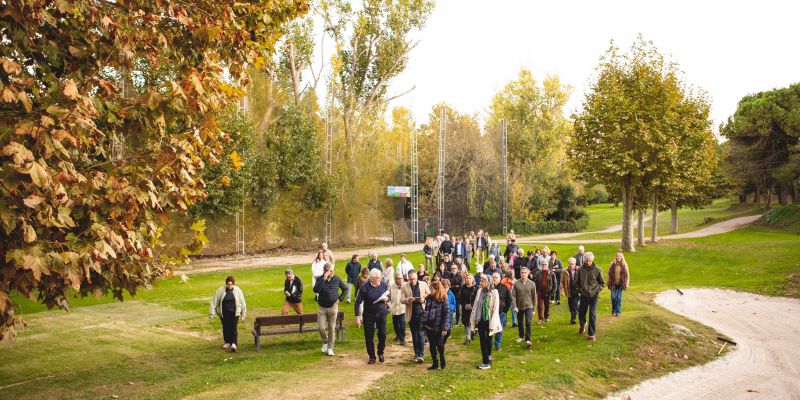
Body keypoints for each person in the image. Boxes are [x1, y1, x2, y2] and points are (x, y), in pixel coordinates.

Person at [355, 268, 390, 364]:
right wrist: (357, 316)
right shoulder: (364, 287)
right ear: (372, 278)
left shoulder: (383, 284)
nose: (379, 279)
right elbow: (357, 302)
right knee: (369, 335)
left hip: (381, 313)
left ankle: (380, 352)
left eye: (380, 277)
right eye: (377, 278)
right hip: (369, 314)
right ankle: (372, 356)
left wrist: (387, 298)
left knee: (382, 334)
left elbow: (389, 296)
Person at [314, 263, 349, 356]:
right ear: (325, 271)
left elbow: (345, 289)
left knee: (331, 328)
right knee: (321, 328)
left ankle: (330, 348)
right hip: (322, 308)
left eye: (333, 270)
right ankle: (325, 342)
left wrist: (340, 299)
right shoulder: (320, 279)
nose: (332, 272)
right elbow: (316, 290)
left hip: (333, 307)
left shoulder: (337, 279)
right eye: (330, 271)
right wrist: (324, 278)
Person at [470, 274, 501, 369]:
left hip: (490, 320)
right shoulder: (479, 291)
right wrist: (473, 320)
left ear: (488, 282)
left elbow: (495, 309)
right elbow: (475, 306)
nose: (480, 283)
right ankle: (485, 361)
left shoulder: (494, 292)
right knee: (482, 341)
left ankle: (488, 356)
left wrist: (492, 324)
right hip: (481, 319)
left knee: (489, 340)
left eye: (482, 281)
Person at [210, 276, 247, 352]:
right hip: (224, 313)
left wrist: (243, 312)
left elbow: (242, 301)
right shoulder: (220, 290)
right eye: (228, 284)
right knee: (226, 327)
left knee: (233, 327)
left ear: (233, 284)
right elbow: (214, 302)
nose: (230, 286)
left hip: (234, 313)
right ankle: (227, 342)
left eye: (231, 284)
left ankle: (234, 343)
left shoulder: (238, 290)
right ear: (226, 284)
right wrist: (211, 314)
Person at [421, 280, 452, 370]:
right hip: (429, 326)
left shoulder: (443, 300)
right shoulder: (429, 298)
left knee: (439, 345)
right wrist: (424, 323)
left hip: (439, 327)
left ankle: (442, 360)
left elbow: (446, 314)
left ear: (437, 289)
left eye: (432, 289)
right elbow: (425, 311)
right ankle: (435, 363)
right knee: (432, 345)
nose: (430, 291)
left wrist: (444, 328)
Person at [401, 270, 430, 363]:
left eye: (414, 279)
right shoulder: (404, 286)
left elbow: (429, 294)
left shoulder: (423, 284)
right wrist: (408, 300)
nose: (412, 281)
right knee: (414, 334)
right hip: (411, 313)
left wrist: (424, 300)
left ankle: (421, 355)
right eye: (410, 279)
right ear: (408, 278)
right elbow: (401, 300)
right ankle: (416, 354)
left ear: (417, 277)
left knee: (420, 333)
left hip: (421, 312)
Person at [577, 252, 604, 341]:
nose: (588, 262)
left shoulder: (597, 269)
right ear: (584, 260)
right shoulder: (580, 270)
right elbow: (577, 283)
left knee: (592, 314)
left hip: (594, 295)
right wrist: (580, 290)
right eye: (587, 261)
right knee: (581, 312)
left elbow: (602, 283)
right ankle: (582, 324)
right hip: (584, 295)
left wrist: (597, 290)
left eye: (590, 261)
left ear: (592, 260)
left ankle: (591, 334)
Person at [511, 267, 536, 348]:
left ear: (528, 273)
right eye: (522, 272)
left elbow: (534, 297)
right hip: (519, 306)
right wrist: (515, 306)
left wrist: (534, 309)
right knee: (520, 322)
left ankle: (528, 339)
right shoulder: (516, 283)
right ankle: (521, 336)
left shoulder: (532, 284)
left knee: (528, 322)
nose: (523, 274)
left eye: (525, 272)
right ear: (520, 273)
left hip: (529, 306)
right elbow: (513, 296)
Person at [492, 272, 512, 351]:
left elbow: (509, 299)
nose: (494, 279)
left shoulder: (504, 288)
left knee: (499, 329)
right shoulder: (489, 288)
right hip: (491, 312)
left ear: (500, 278)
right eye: (493, 277)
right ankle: (489, 344)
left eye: (496, 277)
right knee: (490, 329)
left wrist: (505, 310)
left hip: (501, 312)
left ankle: (497, 344)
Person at [533, 258, 556, 324]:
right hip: (539, 292)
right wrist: (536, 291)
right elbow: (535, 282)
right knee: (540, 306)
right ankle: (540, 318)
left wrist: (552, 292)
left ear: (548, 265)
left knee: (547, 306)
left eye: (545, 265)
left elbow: (555, 284)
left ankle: (547, 317)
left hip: (548, 292)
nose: (544, 266)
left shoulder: (552, 273)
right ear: (540, 265)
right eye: (542, 264)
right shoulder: (538, 273)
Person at [607, 251, 630, 316]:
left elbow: (627, 275)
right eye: (617, 256)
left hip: (621, 284)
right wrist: (608, 281)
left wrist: (627, 283)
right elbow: (608, 273)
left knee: (619, 298)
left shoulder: (624, 265)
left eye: (619, 256)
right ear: (615, 257)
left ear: (622, 257)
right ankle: (614, 310)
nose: (618, 257)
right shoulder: (612, 264)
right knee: (613, 297)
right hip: (613, 283)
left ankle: (618, 311)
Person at [459, 274, 478, 344]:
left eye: (470, 278)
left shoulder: (476, 288)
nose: (468, 279)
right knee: (466, 322)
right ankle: (468, 338)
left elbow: (477, 298)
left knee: (473, 321)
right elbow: (460, 297)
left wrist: (472, 305)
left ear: (473, 280)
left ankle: (473, 331)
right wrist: (464, 305)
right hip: (465, 307)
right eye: (467, 278)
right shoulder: (463, 288)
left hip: (473, 308)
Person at [389, 273, 407, 345]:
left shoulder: (405, 286)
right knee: (395, 324)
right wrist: (389, 304)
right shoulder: (391, 286)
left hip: (402, 308)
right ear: (395, 279)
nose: (400, 280)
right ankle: (398, 336)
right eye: (398, 278)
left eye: (401, 278)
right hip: (394, 308)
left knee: (402, 324)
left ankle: (402, 339)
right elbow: (389, 296)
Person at [561, 257, 580, 324]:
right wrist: (562, 291)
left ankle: (573, 319)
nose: (571, 265)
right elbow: (562, 281)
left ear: (575, 264)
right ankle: (576, 311)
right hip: (569, 290)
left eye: (572, 264)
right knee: (571, 305)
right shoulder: (564, 271)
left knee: (574, 304)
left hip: (578, 290)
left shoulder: (579, 269)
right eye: (570, 264)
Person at [441, 278, 456, 343]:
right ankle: (440, 343)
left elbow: (453, 304)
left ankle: (443, 342)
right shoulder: (440, 294)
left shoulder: (451, 294)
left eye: (447, 287)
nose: (445, 289)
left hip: (449, 315)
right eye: (444, 287)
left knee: (449, 330)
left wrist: (449, 308)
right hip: (441, 314)